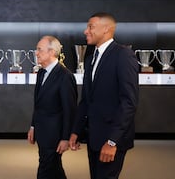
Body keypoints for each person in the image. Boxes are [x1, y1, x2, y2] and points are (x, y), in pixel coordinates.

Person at [69, 12, 139, 179]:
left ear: (106, 29)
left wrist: (112, 141)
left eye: (91, 26)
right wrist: (76, 131)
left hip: (111, 139)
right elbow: (86, 100)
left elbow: (129, 102)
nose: (86, 31)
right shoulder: (90, 59)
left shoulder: (123, 55)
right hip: (94, 138)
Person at [27, 36, 78, 179]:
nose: (36, 53)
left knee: (46, 168)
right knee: (54, 169)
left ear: (51, 52)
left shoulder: (65, 76)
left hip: (55, 135)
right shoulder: (41, 73)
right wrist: (33, 126)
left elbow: (70, 110)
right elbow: (38, 104)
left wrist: (65, 138)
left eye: (39, 49)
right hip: (42, 132)